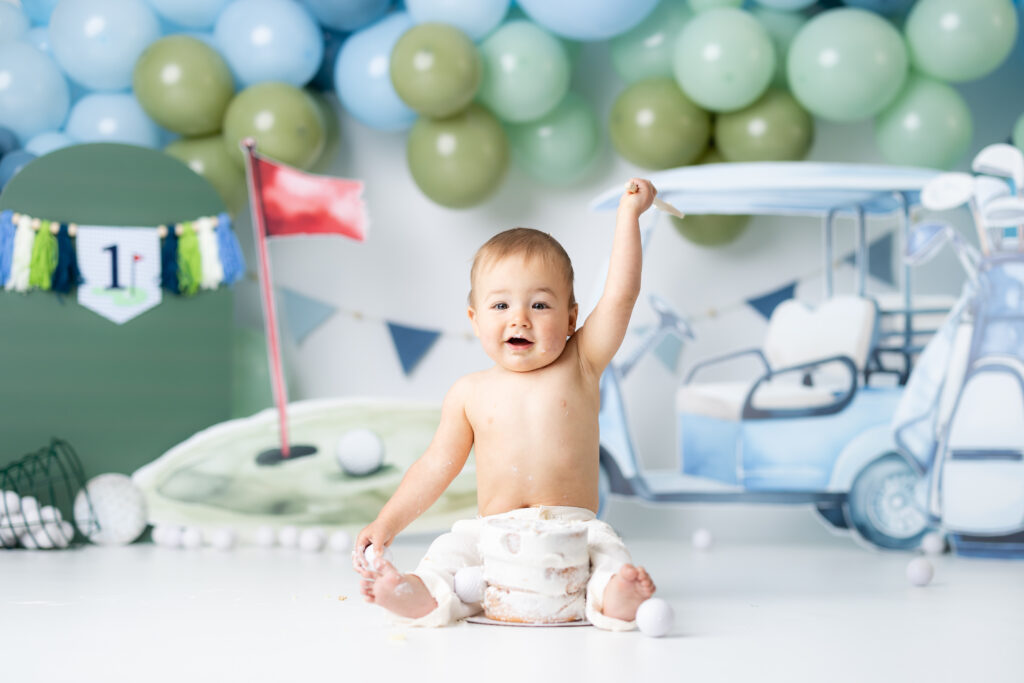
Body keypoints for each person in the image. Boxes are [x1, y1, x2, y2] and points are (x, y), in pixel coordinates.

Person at [353, 179, 659, 631]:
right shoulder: (469, 393)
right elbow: (436, 465)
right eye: (500, 305)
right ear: (475, 320)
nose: (520, 318)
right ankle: (421, 593)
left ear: (571, 318)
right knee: (449, 553)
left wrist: (628, 217)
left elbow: (620, 295)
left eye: (539, 304)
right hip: (493, 534)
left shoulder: (582, 363)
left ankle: (613, 595)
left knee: (606, 551)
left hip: (571, 528)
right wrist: (387, 522)